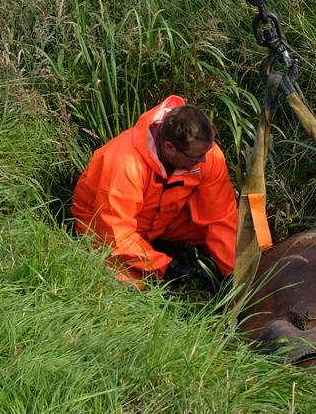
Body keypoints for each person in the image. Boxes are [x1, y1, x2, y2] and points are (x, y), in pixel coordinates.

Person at [71, 96, 235, 290]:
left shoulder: (206, 154)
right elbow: (117, 236)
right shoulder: (124, 164)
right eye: (196, 157)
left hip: (164, 218)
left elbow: (221, 217)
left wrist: (237, 272)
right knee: (126, 281)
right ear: (169, 148)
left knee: (231, 234)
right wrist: (168, 267)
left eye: (205, 153)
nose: (204, 161)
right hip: (105, 227)